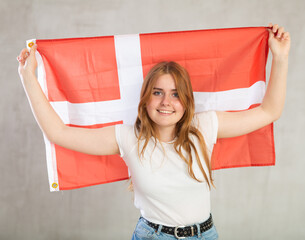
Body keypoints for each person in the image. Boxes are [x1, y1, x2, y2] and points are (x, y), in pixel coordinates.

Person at [17, 23, 290, 240]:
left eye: (175, 94)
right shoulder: (127, 138)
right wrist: (28, 78)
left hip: (205, 235)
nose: (166, 103)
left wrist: (280, 57)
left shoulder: (205, 126)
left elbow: (269, 112)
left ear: (186, 101)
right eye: (157, 92)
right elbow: (59, 133)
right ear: (146, 98)